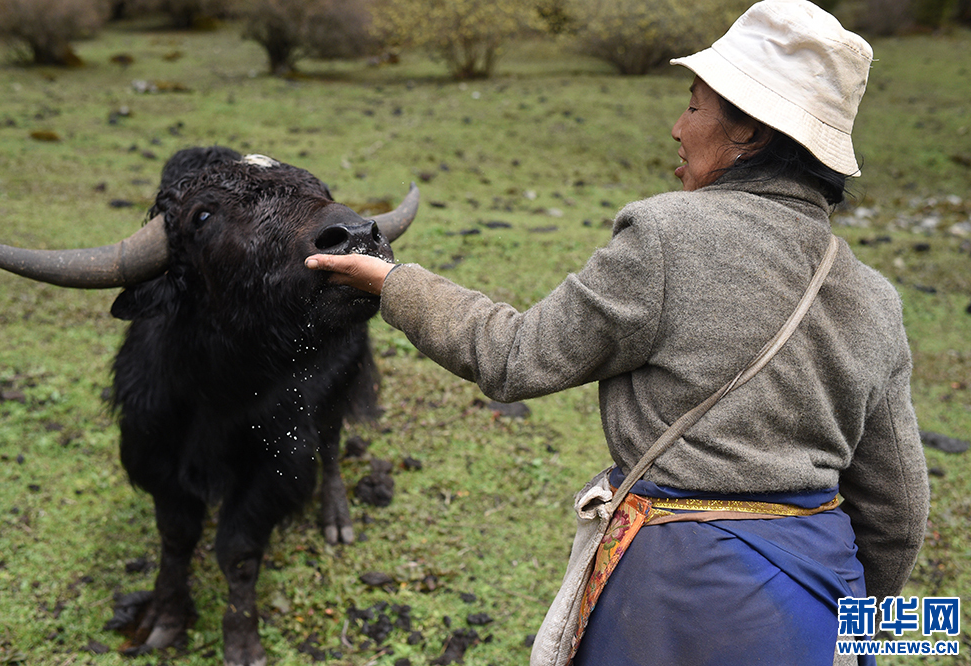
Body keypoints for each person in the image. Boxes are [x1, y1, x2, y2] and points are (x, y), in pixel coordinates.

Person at [306, 0, 930, 663]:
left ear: (747, 129)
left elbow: (513, 356)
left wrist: (391, 282)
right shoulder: (875, 299)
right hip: (821, 603)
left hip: (674, 599)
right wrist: (842, 620)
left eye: (693, 106)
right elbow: (897, 513)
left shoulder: (666, 235)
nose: (676, 128)